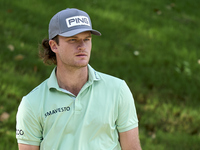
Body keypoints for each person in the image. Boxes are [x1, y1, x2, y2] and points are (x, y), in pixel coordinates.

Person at [16, 8, 142, 150]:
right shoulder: (32, 103)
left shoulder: (118, 89)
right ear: (54, 46)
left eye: (87, 39)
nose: (82, 46)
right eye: (72, 40)